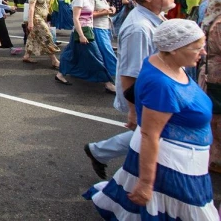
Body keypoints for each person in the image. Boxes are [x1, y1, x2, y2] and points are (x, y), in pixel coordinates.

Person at [86, 19, 217, 220]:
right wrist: (146, 183)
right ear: (174, 49)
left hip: (182, 158)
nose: (204, 52)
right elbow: (149, 134)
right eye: (197, 48)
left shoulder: (164, 62)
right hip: (172, 164)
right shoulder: (162, 83)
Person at [84, 0, 175, 180]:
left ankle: (99, 152)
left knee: (153, 135)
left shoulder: (154, 17)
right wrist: (133, 110)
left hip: (157, 92)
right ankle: (130, 184)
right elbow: (130, 74)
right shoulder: (139, 28)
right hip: (145, 96)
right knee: (152, 136)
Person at [55, 0, 115, 92]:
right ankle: (107, 83)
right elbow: (76, 19)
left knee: (71, 54)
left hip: (85, 30)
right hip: (83, 31)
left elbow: (89, 15)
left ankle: (60, 74)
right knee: (96, 56)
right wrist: (82, 35)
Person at [22, 0, 61, 66]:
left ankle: (26, 56)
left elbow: (46, 3)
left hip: (43, 17)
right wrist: (30, 22)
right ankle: (54, 60)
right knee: (47, 37)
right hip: (36, 18)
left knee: (33, 37)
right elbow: (31, 7)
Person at [201, 0, 221, 174]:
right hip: (217, 74)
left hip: (212, 72)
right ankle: (215, 159)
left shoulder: (212, 19)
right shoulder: (219, 23)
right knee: (217, 117)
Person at [87, 0, 117, 85]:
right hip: (97, 28)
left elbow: (105, 8)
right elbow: (87, 14)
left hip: (105, 27)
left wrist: (111, 8)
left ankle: (107, 75)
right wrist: (105, 12)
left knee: (102, 53)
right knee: (107, 52)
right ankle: (114, 75)